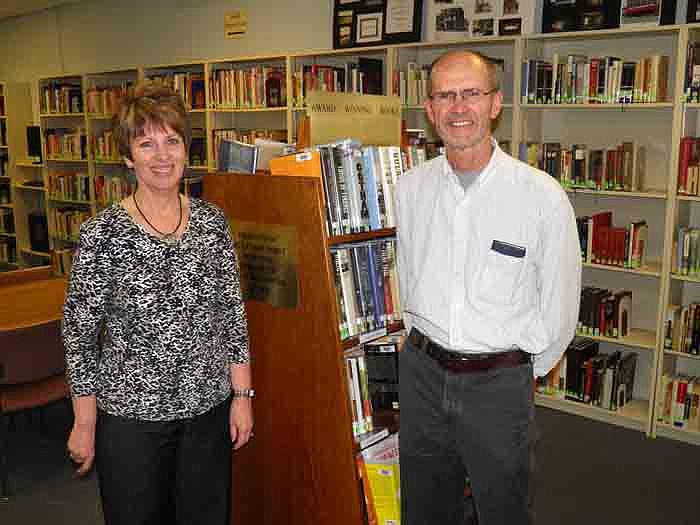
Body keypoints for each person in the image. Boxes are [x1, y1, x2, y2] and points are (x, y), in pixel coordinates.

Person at [394, 50, 581, 525]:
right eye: (445, 95)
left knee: (503, 509)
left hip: (498, 385)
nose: (458, 107)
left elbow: (560, 307)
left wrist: (517, 371)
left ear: (495, 103)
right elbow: (407, 275)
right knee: (425, 507)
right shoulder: (410, 190)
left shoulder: (540, 196)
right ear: (430, 109)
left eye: (471, 94)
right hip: (421, 376)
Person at [62, 82, 253, 525]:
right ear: (128, 157)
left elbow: (232, 315)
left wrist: (242, 396)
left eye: (172, 140)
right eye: (146, 143)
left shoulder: (212, 222)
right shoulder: (101, 234)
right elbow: (79, 337)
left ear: (186, 148)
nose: (162, 155)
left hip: (207, 410)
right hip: (130, 420)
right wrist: (85, 423)